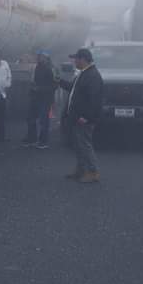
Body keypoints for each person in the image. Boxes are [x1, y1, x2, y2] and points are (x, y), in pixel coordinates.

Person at [59, 48, 103, 183]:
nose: (74, 61)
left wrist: (87, 117)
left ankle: (93, 171)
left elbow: (94, 100)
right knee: (78, 145)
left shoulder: (92, 76)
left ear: (83, 59)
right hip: (76, 117)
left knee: (84, 145)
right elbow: (73, 90)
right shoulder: (84, 73)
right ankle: (81, 170)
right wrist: (58, 81)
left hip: (83, 119)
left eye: (76, 59)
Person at [22, 50, 59, 150]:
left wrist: (40, 89)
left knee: (43, 120)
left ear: (46, 58)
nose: (39, 58)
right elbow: (34, 80)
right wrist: (32, 89)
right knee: (30, 118)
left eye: (41, 56)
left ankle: (43, 141)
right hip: (35, 97)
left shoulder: (51, 69)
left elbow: (55, 85)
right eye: (38, 56)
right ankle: (32, 138)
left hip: (46, 99)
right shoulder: (37, 67)